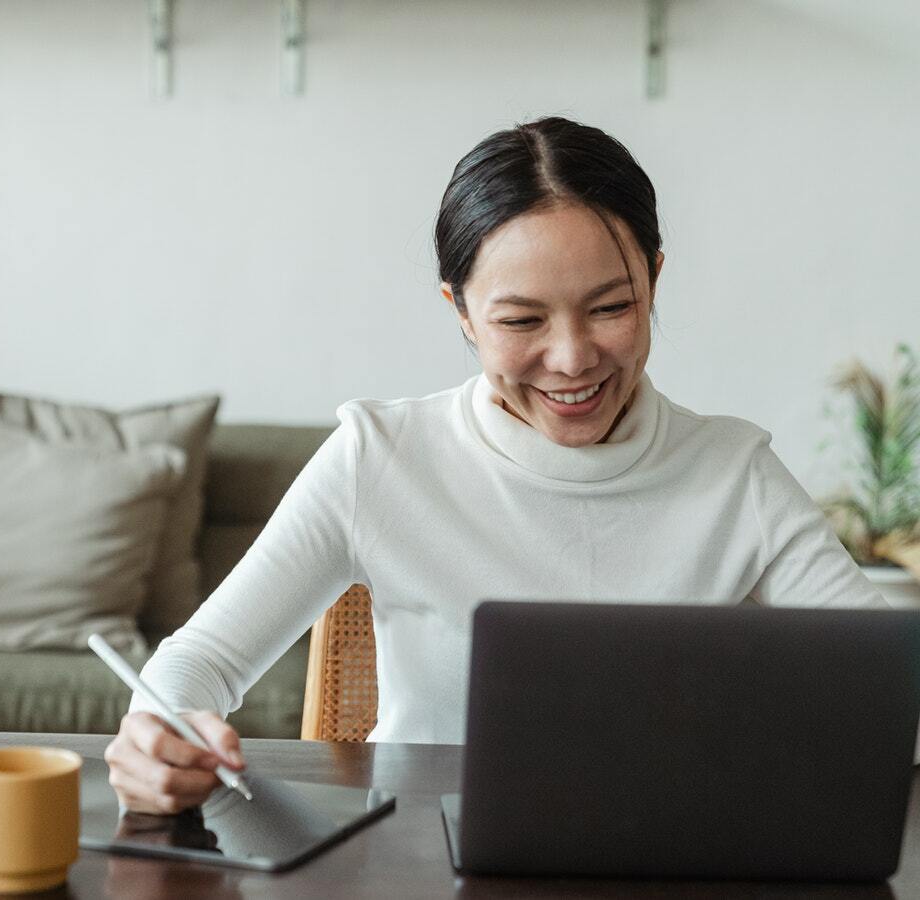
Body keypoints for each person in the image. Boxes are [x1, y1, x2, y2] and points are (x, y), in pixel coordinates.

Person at [104, 116, 883, 814]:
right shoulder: (380, 457)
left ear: (654, 280)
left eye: (612, 307)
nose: (573, 359)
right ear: (463, 314)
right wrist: (156, 736)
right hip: (414, 864)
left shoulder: (734, 473)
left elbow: (888, 679)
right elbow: (200, 661)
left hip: (667, 858)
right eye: (522, 320)